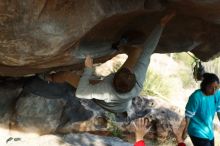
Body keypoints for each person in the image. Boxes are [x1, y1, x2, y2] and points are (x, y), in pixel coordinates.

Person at [180, 73, 220, 146]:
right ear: (205, 85)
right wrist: (185, 131)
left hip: (209, 131)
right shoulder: (196, 97)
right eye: (211, 87)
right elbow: (188, 115)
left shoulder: (217, 94)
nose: (214, 91)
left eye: (216, 88)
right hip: (196, 130)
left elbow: (219, 110)